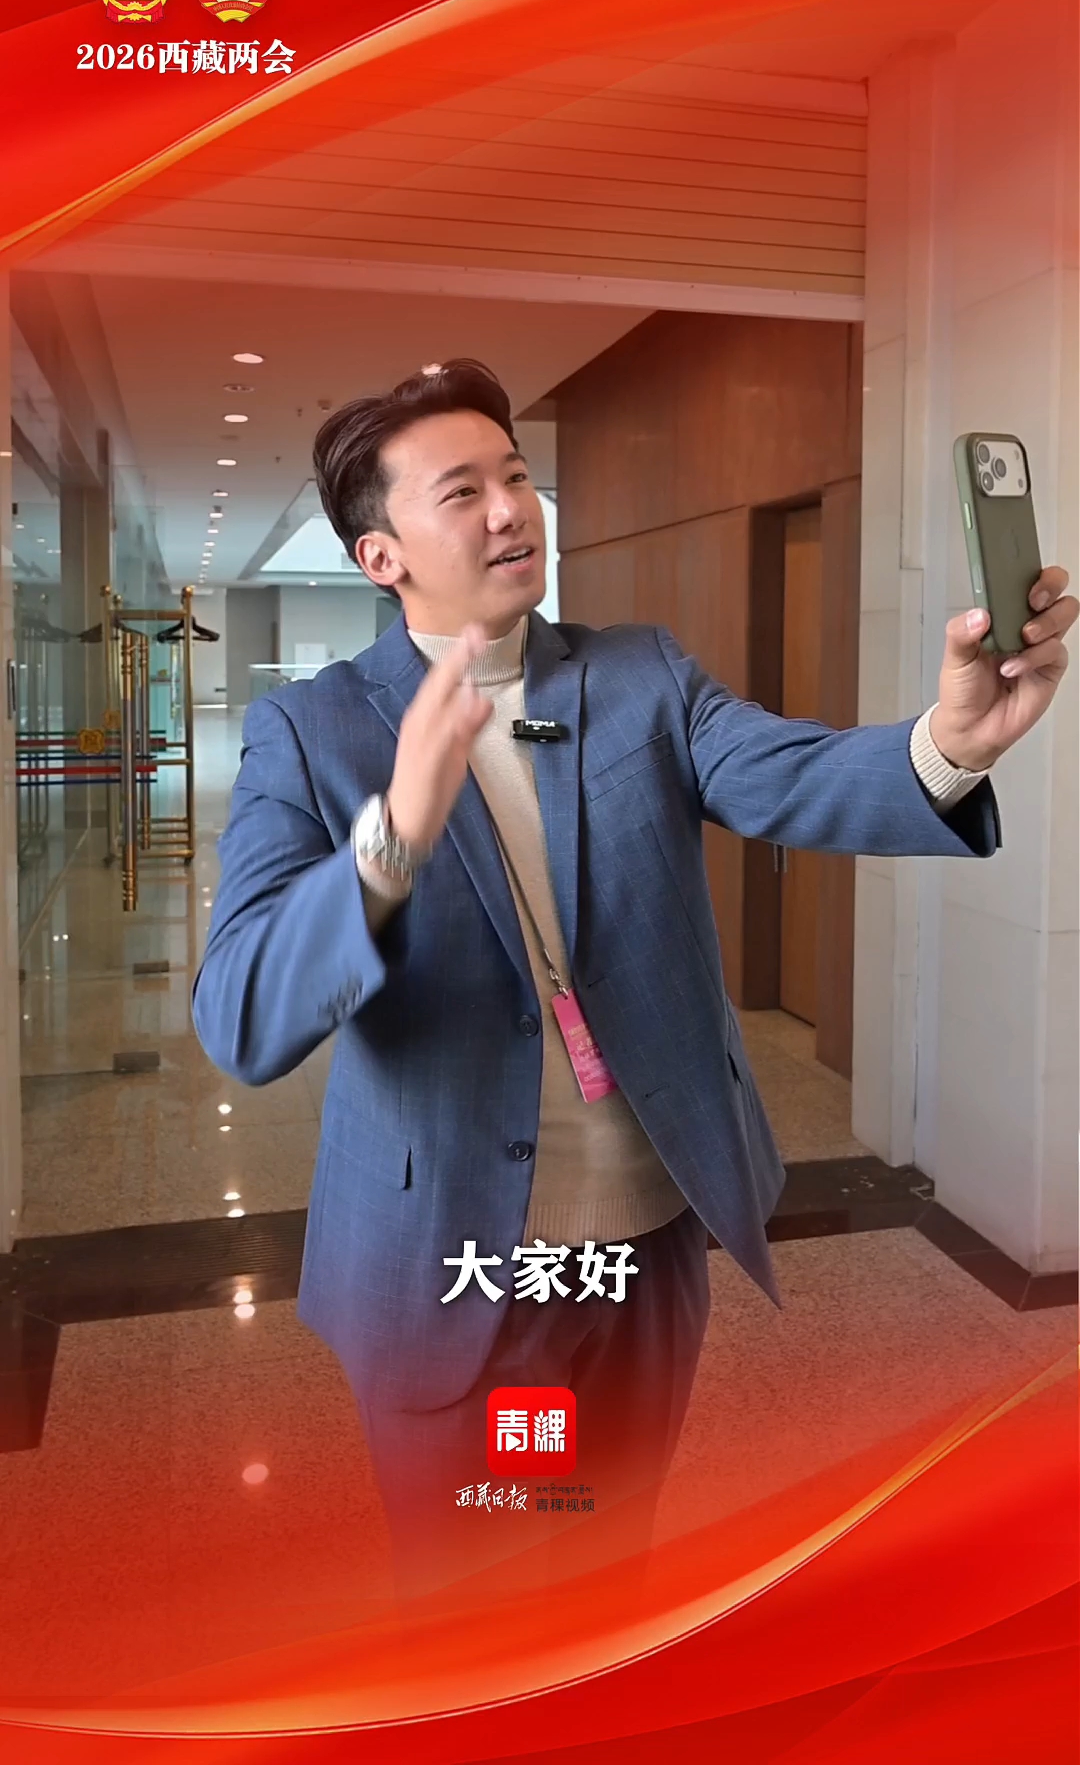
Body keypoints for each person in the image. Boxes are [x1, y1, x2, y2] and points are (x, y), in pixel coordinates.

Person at [192, 358, 1076, 1597]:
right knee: (477, 1600)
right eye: (463, 492)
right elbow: (241, 1013)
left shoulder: (637, 675)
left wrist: (951, 747)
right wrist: (394, 835)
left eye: (516, 477)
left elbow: (790, 772)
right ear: (380, 555)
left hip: (639, 1254)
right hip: (456, 1269)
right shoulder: (315, 730)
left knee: (614, 1566)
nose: (512, 509)